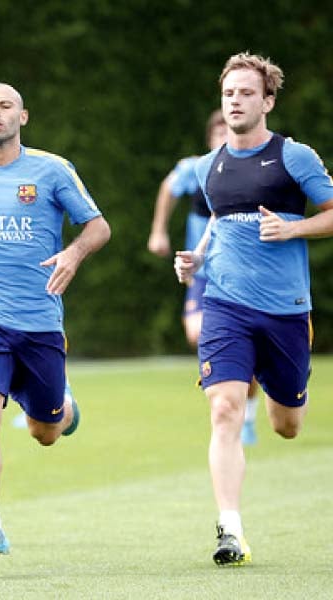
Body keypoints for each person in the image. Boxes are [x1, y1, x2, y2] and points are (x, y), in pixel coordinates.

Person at [175, 52, 333, 566]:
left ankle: (279, 393)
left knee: (287, 424)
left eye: (246, 93)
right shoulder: (208, 166)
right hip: (225, 306)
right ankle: (230, 529)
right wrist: (195, 262)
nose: (235, 101)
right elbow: (220, 225)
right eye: (228, 94)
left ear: (267, 101)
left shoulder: (295, 158)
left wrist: (295, 228)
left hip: (285, 311)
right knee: (223, 408)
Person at [0, 82, 111, 560]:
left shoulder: (52, 170)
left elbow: (98, 227)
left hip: (39, 318)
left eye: (5, 106)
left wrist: (74, 255)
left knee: (45, 431)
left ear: (23, 116)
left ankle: (64, 408)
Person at [149, 111, 261, 446]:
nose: (222, 139)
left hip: (239, 270)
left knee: (241, 346)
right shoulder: (195, 168)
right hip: (201, 267)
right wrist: (158, 231)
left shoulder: (253, 173)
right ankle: (232, 379)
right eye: (217, 134)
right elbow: (168, 188)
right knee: (195, 332)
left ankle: (248, 417)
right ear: (209, 139)